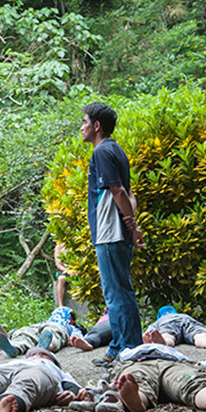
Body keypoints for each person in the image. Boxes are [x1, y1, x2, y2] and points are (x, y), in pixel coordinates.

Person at [80, 102, 144, 367]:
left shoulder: (102, 152)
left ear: (97, 126)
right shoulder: (117, 150)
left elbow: (118, 192)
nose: (81, 127)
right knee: (122, 291)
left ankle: (124, 348)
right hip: (117, 231)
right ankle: (127, 346)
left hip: (109, 232)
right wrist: (133, 225)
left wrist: (130, 225)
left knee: (115, 293)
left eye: (84, 122)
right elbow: (131, 195)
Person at [112, 355, 206, 412]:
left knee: (192, 381)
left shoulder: (170, 349)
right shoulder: (129, 350)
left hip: (173, 363)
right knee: (135, 380)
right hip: (136, 363)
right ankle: (136, 401)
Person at [0, 307, 85, 358]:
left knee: (53, 332)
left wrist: (75, 340)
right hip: (39, 326)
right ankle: (14, 348)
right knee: (25, 332)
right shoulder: (45, 322)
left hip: (55, 327)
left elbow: (77, 339)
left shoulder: (72, 327)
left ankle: (46, 346)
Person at [142, 306, 206, 350]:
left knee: (168, 335)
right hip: (187, 320)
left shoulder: (162, 319)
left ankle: (165, 342)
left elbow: (150, 333)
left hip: (168, 322)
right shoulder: (183, 315)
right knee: (199, 334)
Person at [54, 243, 73, 307]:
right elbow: (58, 264)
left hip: (75, 268)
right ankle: (60, 304)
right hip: (64, 269)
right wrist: (68, 271)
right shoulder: (59, 247)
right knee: (61, 279)